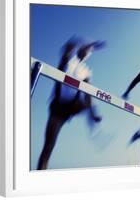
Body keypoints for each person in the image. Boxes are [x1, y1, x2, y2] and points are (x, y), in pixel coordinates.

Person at [37, 37, 106, 170]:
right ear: (80, 49)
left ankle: (94, 127)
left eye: (89, 51)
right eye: (85, 49)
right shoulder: (70, 59)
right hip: (58, 106)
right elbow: (69, 46)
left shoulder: (86, 70)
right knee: (49, 146)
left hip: (72, 106)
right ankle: (41, 172)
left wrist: (93, 112)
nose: (87, 52)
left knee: (88, 96)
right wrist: (90, 43)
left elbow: (88, 92)